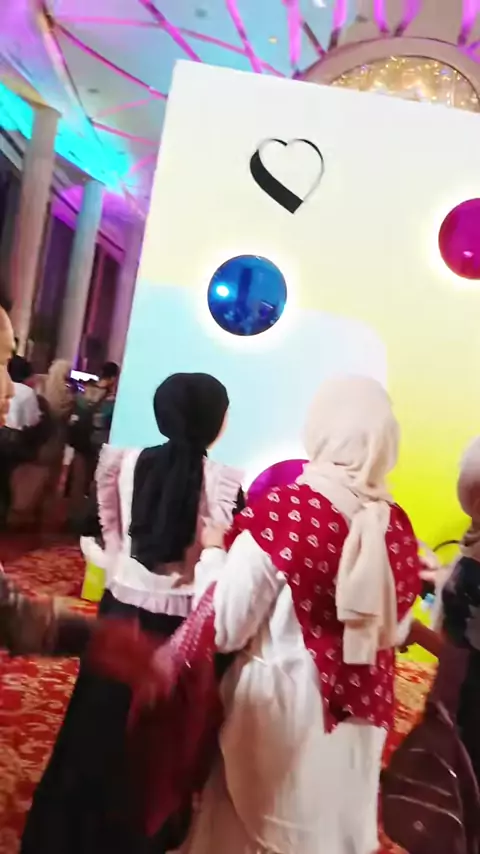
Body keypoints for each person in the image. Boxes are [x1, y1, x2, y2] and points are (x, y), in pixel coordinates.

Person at [93, 375, 424, 854]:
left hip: (278, 718)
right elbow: (397, 626)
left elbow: (227, 625)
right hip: (358, 724)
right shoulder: (396, 524)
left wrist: (213, 554)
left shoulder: (290, 512)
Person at [21, 372, 244, 854]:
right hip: (181, 629)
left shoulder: (122, 465)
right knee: (158, 743)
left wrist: (121, 562)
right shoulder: (225, 484)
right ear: (215, 421)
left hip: (119, 615)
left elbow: (94, 534)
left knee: (93, 727)